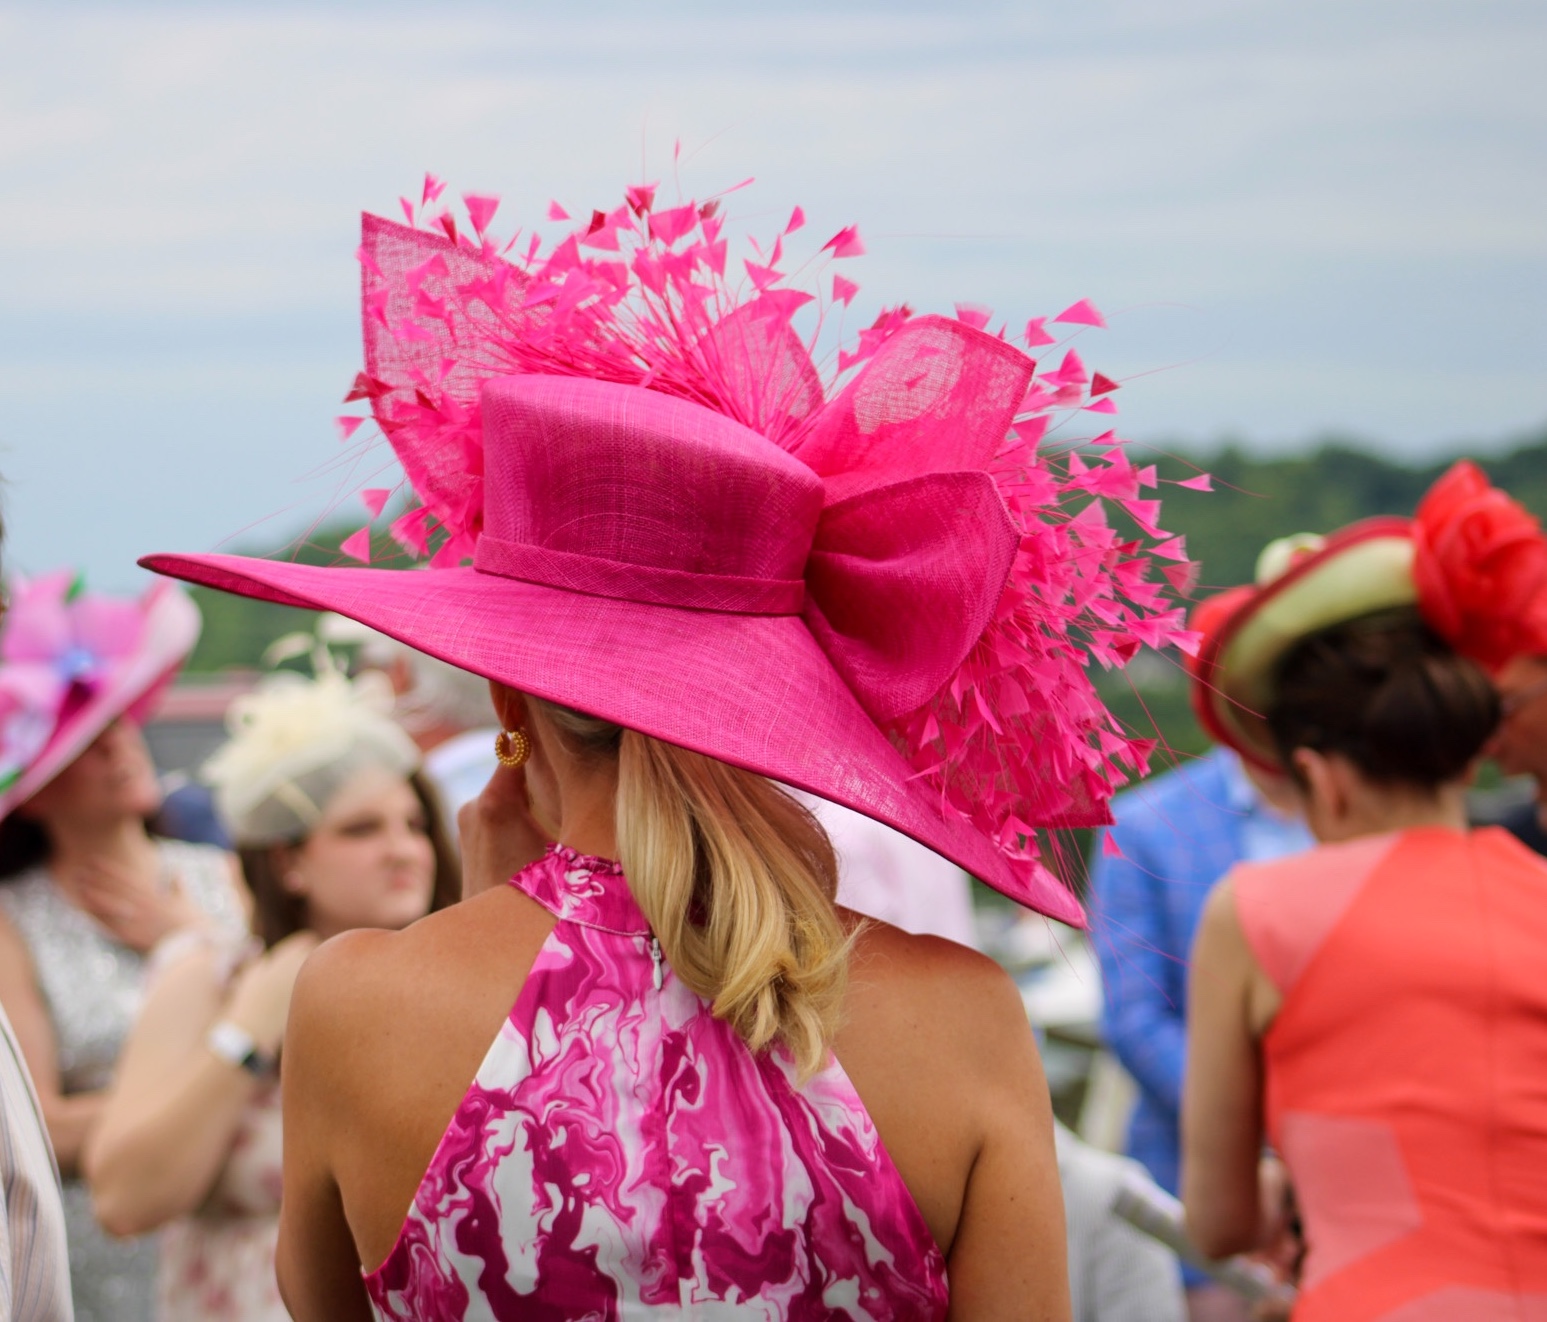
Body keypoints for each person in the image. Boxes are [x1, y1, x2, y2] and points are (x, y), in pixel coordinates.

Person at [144, 180, 1195, 1317]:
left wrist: (485, 916)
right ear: (783, 696)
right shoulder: (960, 1018)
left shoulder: (356, 1005)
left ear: (507, 692)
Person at [1182, 464, 1547, 1319]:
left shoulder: (1254, 912)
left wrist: (1288, 1189)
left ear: (1319, 779)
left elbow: (1217, 1221)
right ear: (1463, 752)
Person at [84, 654, 460, 1322]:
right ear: (287, 860)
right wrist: (247, 1034)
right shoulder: (211, 977)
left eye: (415, 825)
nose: (404, 849)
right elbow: (123, 1202)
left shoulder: (458, 989)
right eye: (361, 829)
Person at [0, 571, 247, 1322]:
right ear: (34, 791)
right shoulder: (10, 922)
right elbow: (36, 1122)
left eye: (119, 721)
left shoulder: (224, 877)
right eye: (85, 741)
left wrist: (191, 945)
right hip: (106, 1259)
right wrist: (206, 1102)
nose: (119, 745)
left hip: (235, 1238)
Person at [1089, 590, 1311, 1322]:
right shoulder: (1144, 826)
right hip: (1199, 1182)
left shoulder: (1354, 803)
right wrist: (1252, 1127)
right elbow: (1135, 1018)